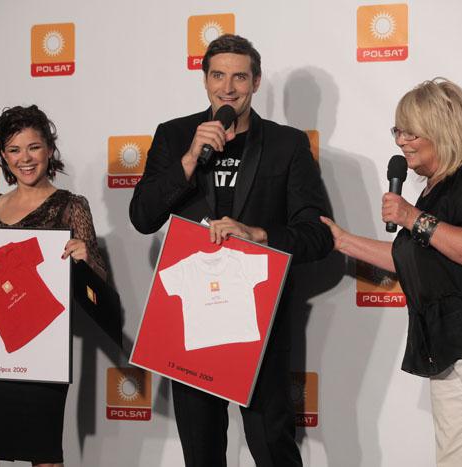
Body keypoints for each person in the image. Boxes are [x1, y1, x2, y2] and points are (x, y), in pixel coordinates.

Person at [321, 78, 462, 466]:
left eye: (411, 132)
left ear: (443, 130)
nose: (402, 141)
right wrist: (342, 241)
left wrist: (411, 216)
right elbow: (407, 259)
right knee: (456, 458)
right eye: (398, 131)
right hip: (449, 348)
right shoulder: (432, 192)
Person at [129, 34, 332, 466]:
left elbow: (317, 235)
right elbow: (142, 217)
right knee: (201, 454)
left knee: (272, 448)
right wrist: (188, 158)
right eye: (218, 76)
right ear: (205, 80)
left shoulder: (287, 144)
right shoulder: (175, 135)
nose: (228, 87)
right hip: (191, 327)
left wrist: (257, 234)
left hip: (259, 324)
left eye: (240, 77)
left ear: (255, 82)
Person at [0, 105, 106, 467]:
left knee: (45, 456)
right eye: (14, 149)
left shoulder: (71, 207)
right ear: (3, 156)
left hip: (44, 355)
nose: (24, 159)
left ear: (49, 150)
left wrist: (86, 257)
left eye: (33, 147)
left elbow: (98, 283)